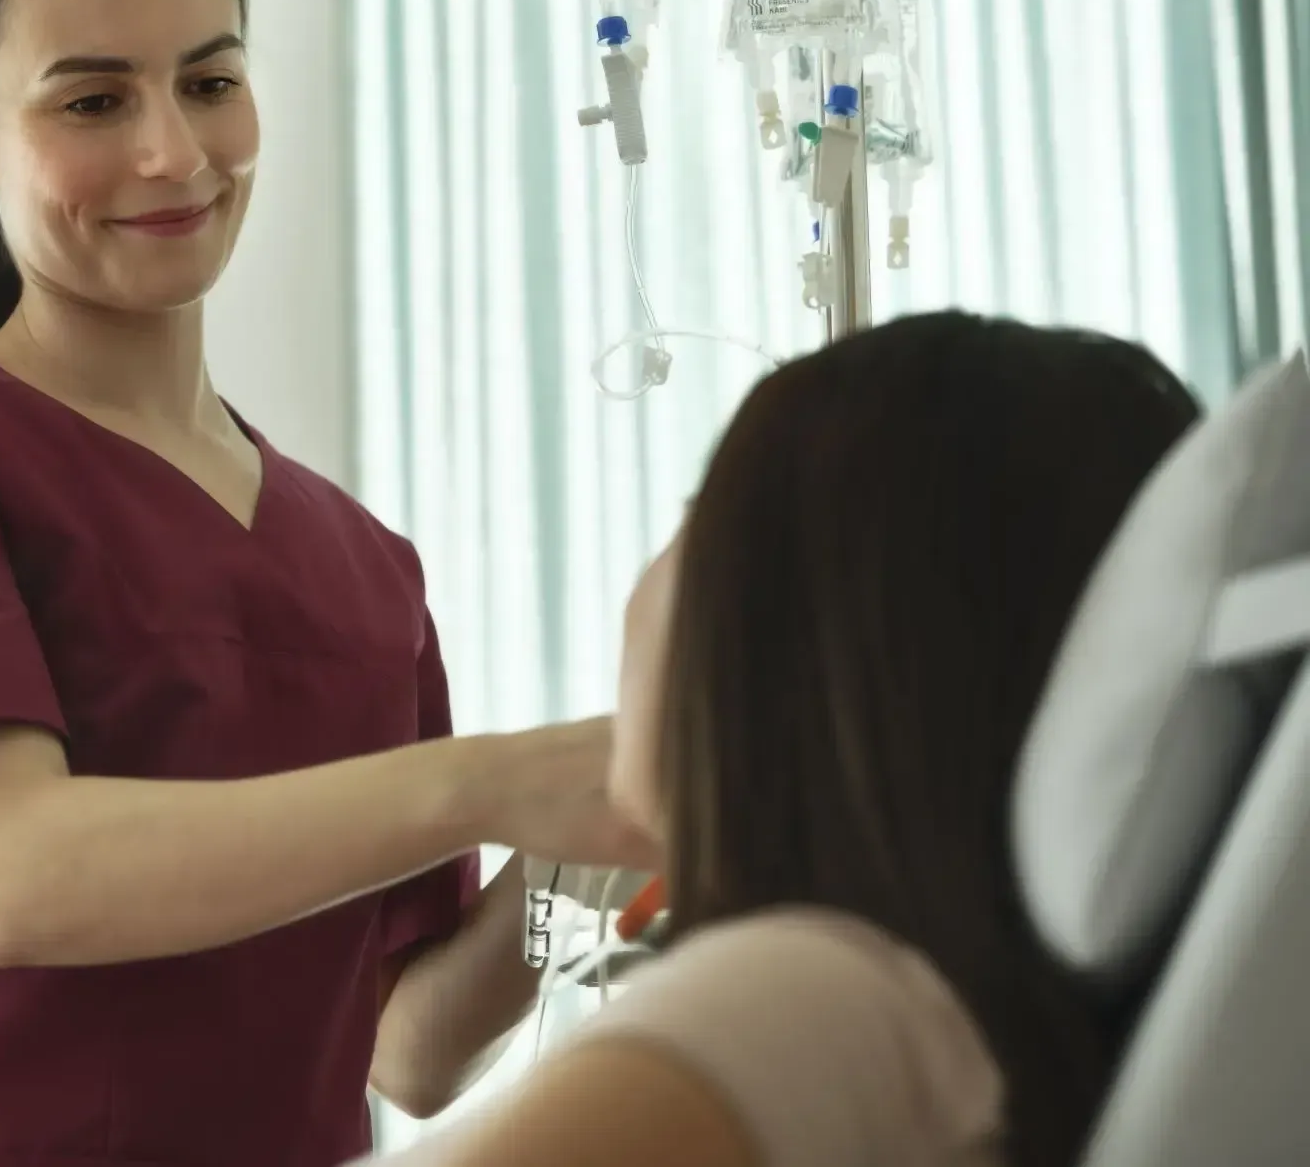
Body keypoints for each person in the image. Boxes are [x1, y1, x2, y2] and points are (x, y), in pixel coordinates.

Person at [0, 0, 653, 1167]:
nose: (176, 152)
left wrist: (591, 858)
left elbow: (412, 1048)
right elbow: (21, 881)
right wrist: (496, 780)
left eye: (211, 82)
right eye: (93, 103)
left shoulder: (363, 563)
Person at [373, 312, 1200, 1167]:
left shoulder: (813, 994)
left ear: (784, 637)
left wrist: (469, 782)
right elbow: (411, 1061)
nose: (640, 588)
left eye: (697, 519)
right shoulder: (944, 1013)